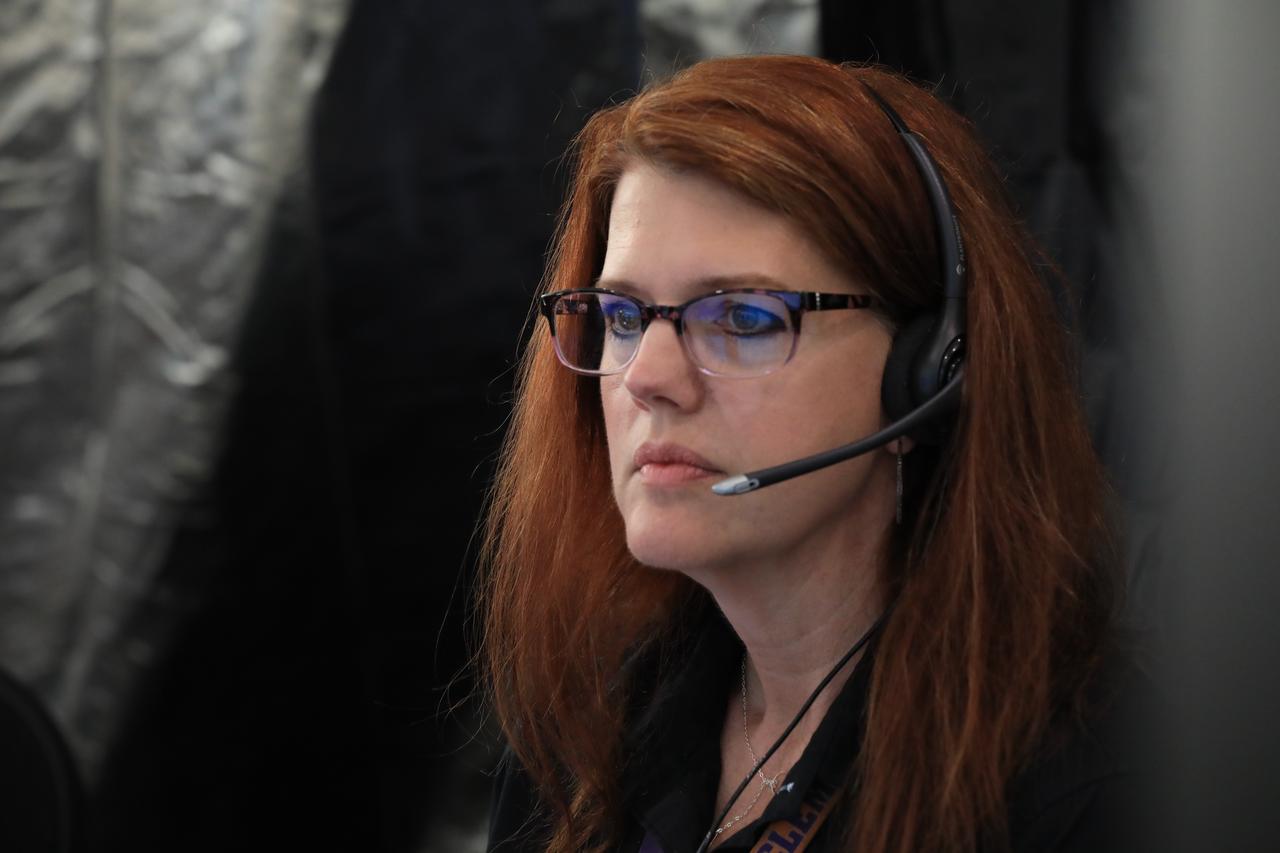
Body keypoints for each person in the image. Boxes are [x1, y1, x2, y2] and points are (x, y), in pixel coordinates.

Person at [479, 55, 1142, 853]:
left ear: (927, 375)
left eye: (744, 318)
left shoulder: (1093, 795)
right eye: (623, 316)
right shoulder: (583, 739)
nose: (647, 378)